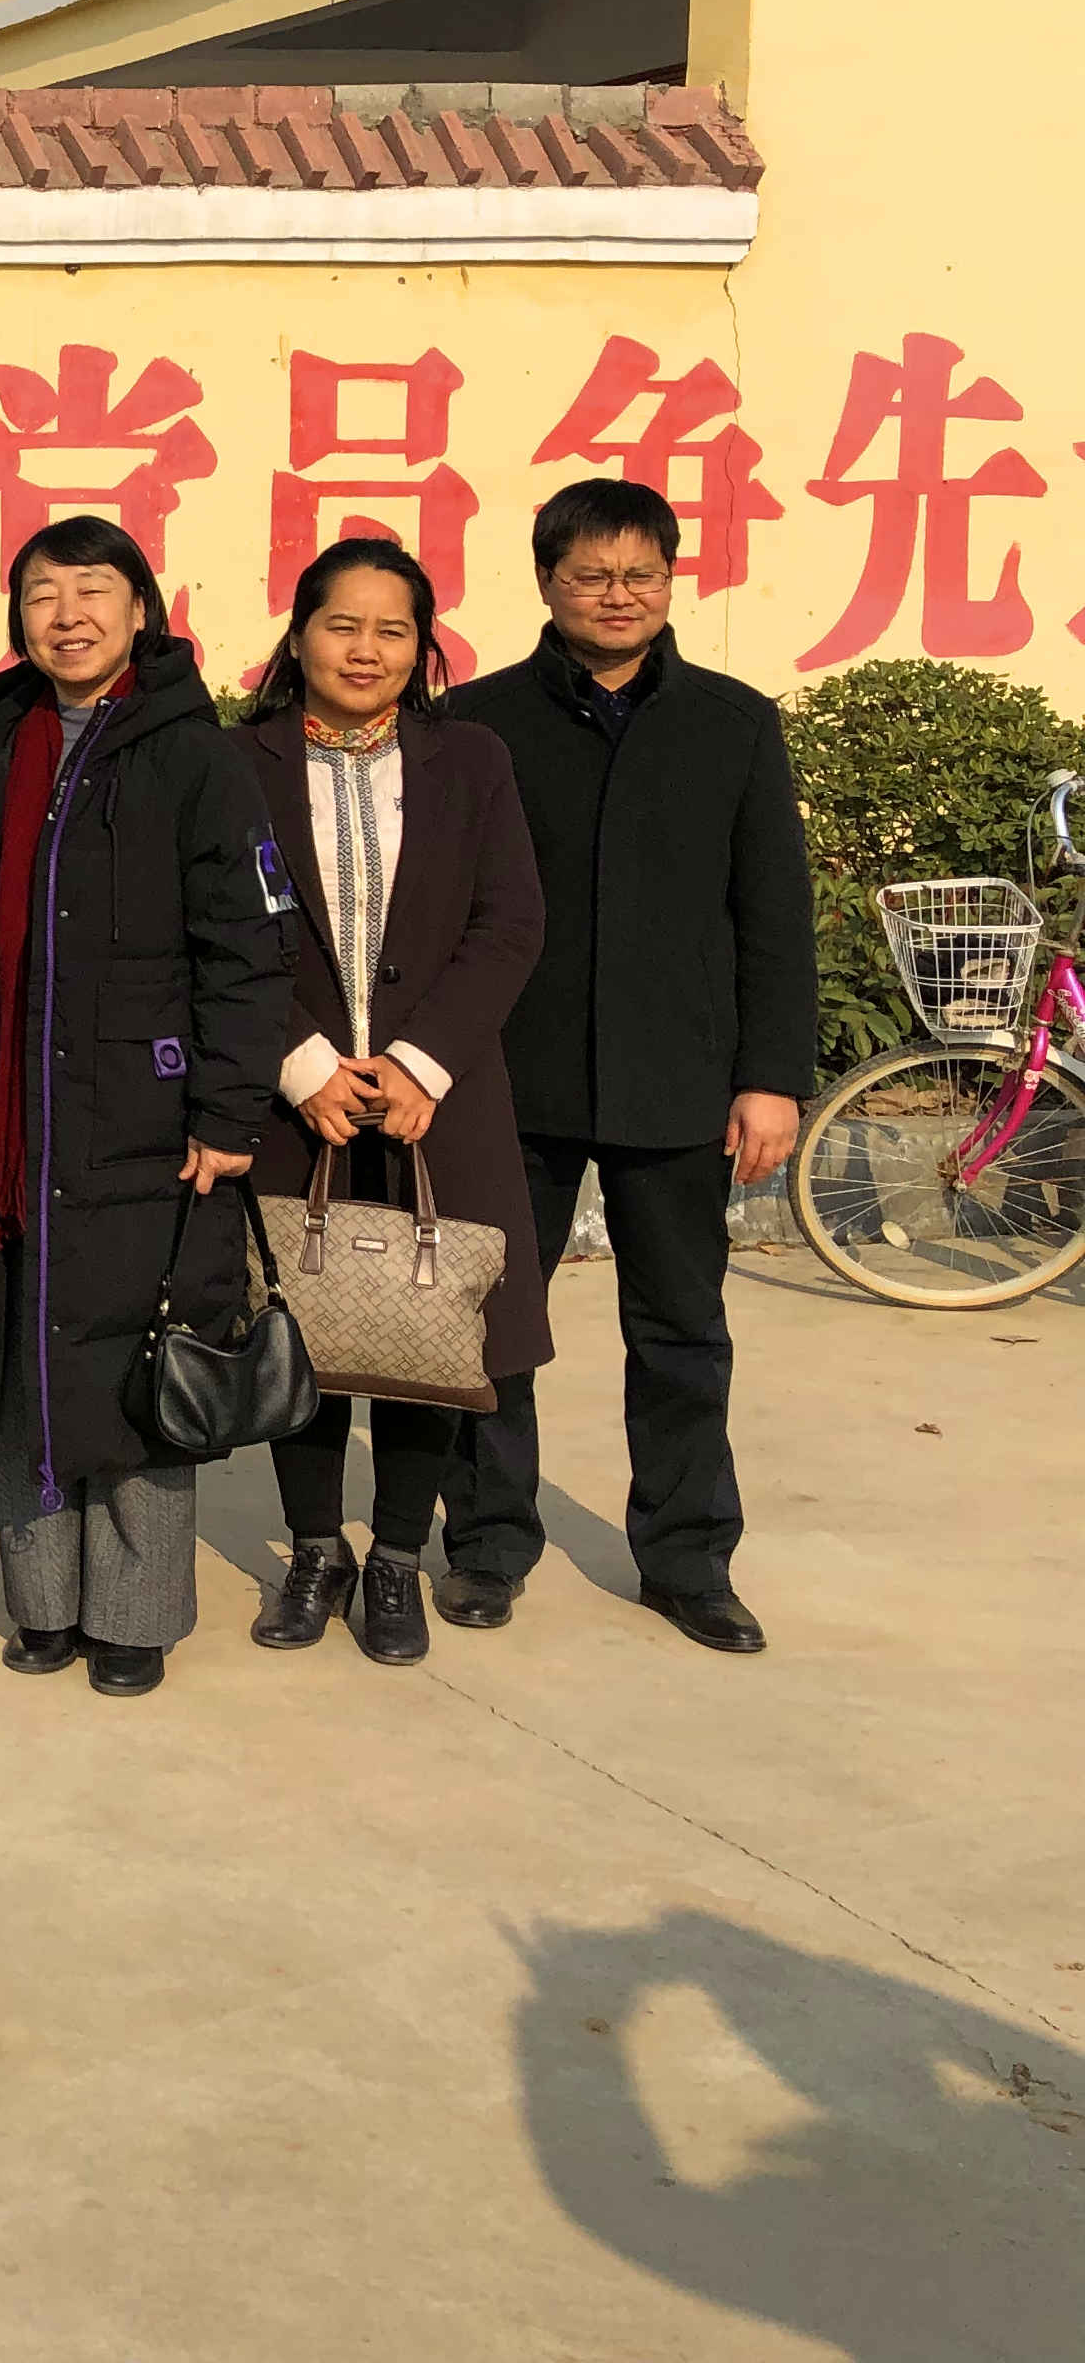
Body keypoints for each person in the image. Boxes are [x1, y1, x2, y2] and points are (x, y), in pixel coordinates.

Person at [443, 479, 814, 1653]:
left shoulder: (733, 723)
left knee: (682, 1332)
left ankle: (688, 1561)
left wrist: (771, 1076)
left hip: (679, 1079)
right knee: (490, 1324)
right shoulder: (478, 722)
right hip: (513, 1077)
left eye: (641, 574)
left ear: (670, 579)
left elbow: (774, 914)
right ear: (546, 581)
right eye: (592, 575)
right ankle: (487, 1544)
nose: (618, 596)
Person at [0, 517, 290, 1698]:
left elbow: (250, 951)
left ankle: (135, 1614)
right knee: (28, 1347)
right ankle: (45, 1605)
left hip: (146, 1107)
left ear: (142, 610)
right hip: (19, 1108)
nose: (69, 616)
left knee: (141, 1349)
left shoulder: (197, 757)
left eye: (95, 591)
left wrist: (229, 1111)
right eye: (43, 594)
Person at [230, 539, 554, 1668]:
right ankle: (317, 1551)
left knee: (431, 1335)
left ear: (422, 647)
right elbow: (217, 927)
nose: (364, 649)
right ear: (299, 635)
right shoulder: (238, 763)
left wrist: (421, 1062)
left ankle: (399, 1559)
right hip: (298, 1099)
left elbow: (510, 922)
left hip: (439, 1101)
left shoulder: (471, 760)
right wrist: (303, 1063)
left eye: (392, 629)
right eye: (341, 624)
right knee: (303, 1331)